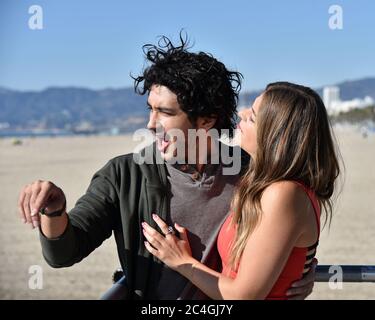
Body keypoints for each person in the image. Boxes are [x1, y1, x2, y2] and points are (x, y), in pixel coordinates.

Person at [17, 35, 316, 299]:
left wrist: (300, 270)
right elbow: (64, 252)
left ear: (207, 119)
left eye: (165, 112)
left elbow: (294, 227)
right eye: (151, 109)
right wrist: (54, 212)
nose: (150, 124)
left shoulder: (255, 173)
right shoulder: (124, 175)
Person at [141, 82, 341, 299]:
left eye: (253, 116)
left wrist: (182, 261)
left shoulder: (283, 193)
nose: (241, 112)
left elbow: (243, 296)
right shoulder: (269, 186)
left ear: (277, 137)